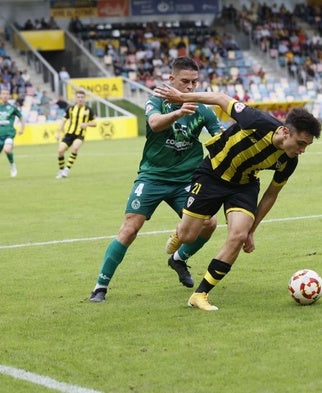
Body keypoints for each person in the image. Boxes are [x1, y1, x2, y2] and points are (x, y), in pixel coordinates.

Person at [153, 84, 322, 311]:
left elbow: (272, 194)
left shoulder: (289, 161)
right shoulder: (256, 120)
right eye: (301, 143)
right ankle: (179, 232)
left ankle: (200, 294)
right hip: (212, 174)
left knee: (238, 235)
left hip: (244, 185)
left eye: (307, 146)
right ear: (284, 132)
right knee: (188, 234)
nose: (302, 150)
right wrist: (183, 96)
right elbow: (221, 98)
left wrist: (252, 230)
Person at [89, 56, 222, 303]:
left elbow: (220, 139)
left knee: (209, 223)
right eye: (185, 82)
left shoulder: (203, 110)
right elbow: (154, 123)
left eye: (194, 82)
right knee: (130, 229)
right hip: (152, 177)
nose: (191, 87)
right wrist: (179, 112)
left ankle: (178, 259)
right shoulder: (157, 101)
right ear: (171, 80)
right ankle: (100, 286)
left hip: (185, 179)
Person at [55, 90, 97, 179]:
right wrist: (58, 133)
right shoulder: (70, 109)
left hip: (80, 134)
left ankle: (67, 169)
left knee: (75, 147)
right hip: (69, 134)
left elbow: (95, 123)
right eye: (78, 97)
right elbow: (63, 121)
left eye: (82, 97)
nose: (80, 99)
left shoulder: (88, 110)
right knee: (60, 151)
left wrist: (87, 124)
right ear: (75, 98)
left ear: (84, 98)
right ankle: (61, 170)